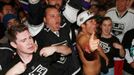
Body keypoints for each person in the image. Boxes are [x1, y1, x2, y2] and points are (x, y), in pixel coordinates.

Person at [2, 24, 71, 75]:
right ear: (14, 45)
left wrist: (55, 48)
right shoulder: (13, 67)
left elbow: (68, 50)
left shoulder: (41, 51)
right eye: (23, 40)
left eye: (30, 37)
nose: (29, 42)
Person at [105, 0, 134, 74]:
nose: (119, 3)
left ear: (127, 2)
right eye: (118, 1)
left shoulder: (132, 14)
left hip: (126, 52)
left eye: (122, 1)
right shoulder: (109, 12)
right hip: (110, 50)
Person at [76, 10, 108, 75]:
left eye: (94, 20)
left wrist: (105, 57)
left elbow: (98, 48)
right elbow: (86, 48)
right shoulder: (82, 38)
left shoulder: (92, 33)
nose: (95, 23)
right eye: (91, 21)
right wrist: (89, 49)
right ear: (82, 25)